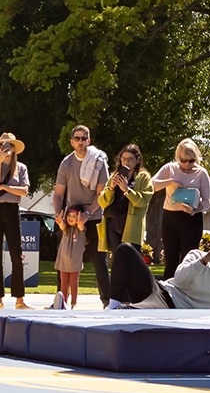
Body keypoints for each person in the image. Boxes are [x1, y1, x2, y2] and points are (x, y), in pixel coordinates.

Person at [107, 234, 210, 310]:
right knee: (125, 249)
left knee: (130, 312)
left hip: (174, 307)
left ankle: (117, 314)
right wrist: (204, 260)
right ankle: (112, 307)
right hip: (163, 290)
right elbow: (179, 280)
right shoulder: (197, 256)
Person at [52, 125, 110, 305]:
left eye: (83, 138)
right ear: (71, 142)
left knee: (99, 259)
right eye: (77, 138)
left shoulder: (98, 161)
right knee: (64, 260)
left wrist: (88, 213)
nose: (80, 142)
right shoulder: (66, 163)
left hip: (94, 215)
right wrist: (58, 214)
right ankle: (60, 300)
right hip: (71, 219)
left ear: (89, 141)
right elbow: (58, 193)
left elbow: (102, 194)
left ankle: (107, 301)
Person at [152, 138, 210, 279]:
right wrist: (171, 181)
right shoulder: (170, 168)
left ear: (196, 158)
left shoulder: (201, 172)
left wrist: (195, 210)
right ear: (178, 157)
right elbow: (152, 185)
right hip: (170, 217)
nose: (187, 164)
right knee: (170, 259)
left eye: (191, 161)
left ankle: (187, 289)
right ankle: (168, 288)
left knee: (188, 260)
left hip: (192, 219)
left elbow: (207, 202)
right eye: (183, 160)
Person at [0, 132, 31, 310]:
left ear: (14, 148)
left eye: (9, 145)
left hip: (12, 210)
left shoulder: (21, 167)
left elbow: (24, 191)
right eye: (2, 145)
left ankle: (20, 299)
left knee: (16, 255)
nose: (6, 148)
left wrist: (5, 187)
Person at [97, 144, 153, 253]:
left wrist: (127, 190)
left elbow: (143, 201)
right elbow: (102, 202)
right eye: (123, 159)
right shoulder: (114, 176)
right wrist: (111, 188)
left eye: (130, 159)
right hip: (113, 223)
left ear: (138, 159)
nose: (126, 162)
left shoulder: (143, 177)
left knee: (130, 259)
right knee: (116, 259)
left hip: (131, 226)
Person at [54, 207, 87, 309]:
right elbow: (62, 225)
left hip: (75, 261)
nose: (71, 218)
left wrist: (80, 222)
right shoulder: (66, 230)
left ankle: (73, 303)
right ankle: (63, 302)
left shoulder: (80, 230)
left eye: (74, 216)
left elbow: (81, 227)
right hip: (64, 260)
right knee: (64, 283)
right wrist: (60, 221)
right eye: (69, 215)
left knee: (73, 283)